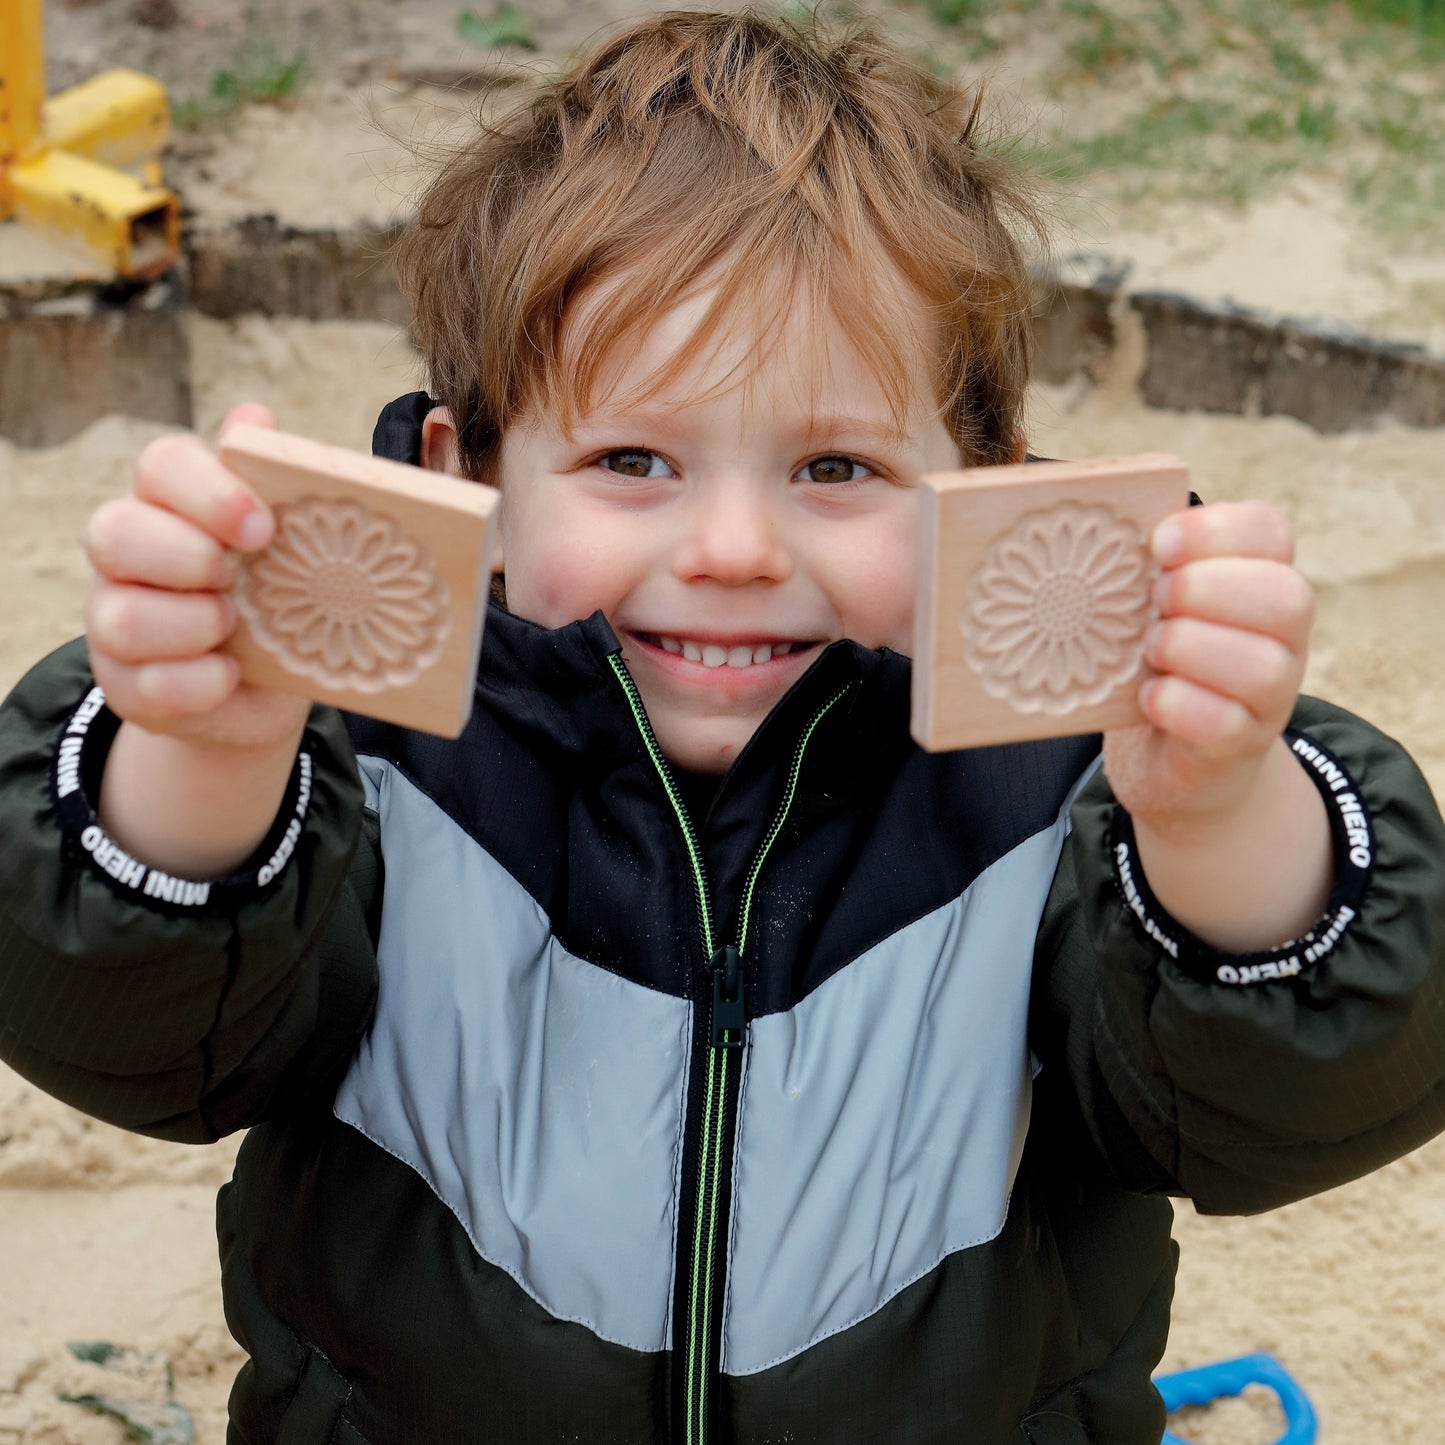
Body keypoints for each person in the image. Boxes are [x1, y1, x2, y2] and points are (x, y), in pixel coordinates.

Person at [1, 9, 1443, 1443]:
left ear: (985, 493)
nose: (738, 545)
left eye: (834, 463)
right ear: (475, 482)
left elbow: (1274, 1110)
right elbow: (141, 1040)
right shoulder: (367, 744)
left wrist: (1217, 815)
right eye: (632, 458)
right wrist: (208, 750)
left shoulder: (1063, 782)